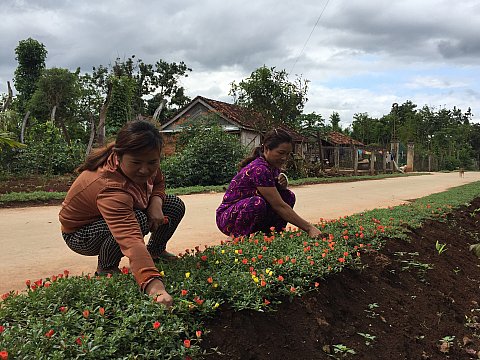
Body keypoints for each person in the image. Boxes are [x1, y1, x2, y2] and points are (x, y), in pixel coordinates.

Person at [59, 120, 185, 307]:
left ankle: (155, 252)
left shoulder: (145, 163)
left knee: (173, 204)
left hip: (120, 214)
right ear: (119, 156)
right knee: (138, 220)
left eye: (152, 162)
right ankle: (106, 268)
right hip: (81, 234)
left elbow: (158, 181)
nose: (145, 169)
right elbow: (130, 237)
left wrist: (156, 203)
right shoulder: (110, 186)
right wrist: (155, 287)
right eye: (136, 163)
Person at [216, 128, 322, 239]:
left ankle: (271, 236)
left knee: (288, 196)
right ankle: (236, 238)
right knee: (257, 203)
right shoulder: (259, 169)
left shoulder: (272, 167)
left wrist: (281, 185)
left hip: (251, 210)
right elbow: (278, 205)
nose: (284, 158)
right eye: (281, 153)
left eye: (288, 154)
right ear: (267, 149)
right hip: (228, 217)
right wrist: (309, 228)